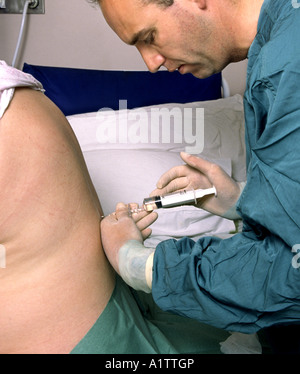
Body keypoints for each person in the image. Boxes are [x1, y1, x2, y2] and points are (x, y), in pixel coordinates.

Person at [78, 0, 300, 352]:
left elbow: (289, 274)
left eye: (148, 36)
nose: (151, 62)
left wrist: (136, 262)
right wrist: (244, 200)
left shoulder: (288, 63)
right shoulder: (282, 27)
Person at [0, 60, 235, 354]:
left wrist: (132, 258)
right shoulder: (20, 96)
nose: (153, 62)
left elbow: (281, 279)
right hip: (113, 314)